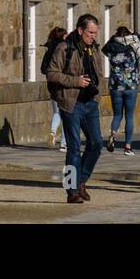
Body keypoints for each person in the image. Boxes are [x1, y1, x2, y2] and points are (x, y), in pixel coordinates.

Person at [46, 14, 106, 204]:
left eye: (95, 33)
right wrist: (75, 81)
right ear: (80, 30)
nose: (93, 36)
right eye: (90, 32)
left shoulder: (94, 48)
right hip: (71, 103)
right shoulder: (65, 48)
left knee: (96, 143)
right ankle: (71, 190)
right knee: (73, 148)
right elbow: (51, 74)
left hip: (90, 103)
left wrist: (97, 94)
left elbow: (99, 73)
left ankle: (81, 180)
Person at [102, 25, 140, 155]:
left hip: (115, 85)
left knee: (117, 115)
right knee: (129, 117)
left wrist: (113, 37)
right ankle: (127, 147)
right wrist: (135, 34)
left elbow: (104, 48)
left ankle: (113, 135)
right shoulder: (134, 47)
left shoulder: (111, 48)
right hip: (131, 85)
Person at [42, 27, 68, 151]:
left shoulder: (49, 50)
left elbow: (43, 69)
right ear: (63, 37)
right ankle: (63, 143)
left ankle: (53, 132)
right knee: (66, 113)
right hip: (63, 83)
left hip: (51, 84)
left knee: (57, 112)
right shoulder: (65, 49)